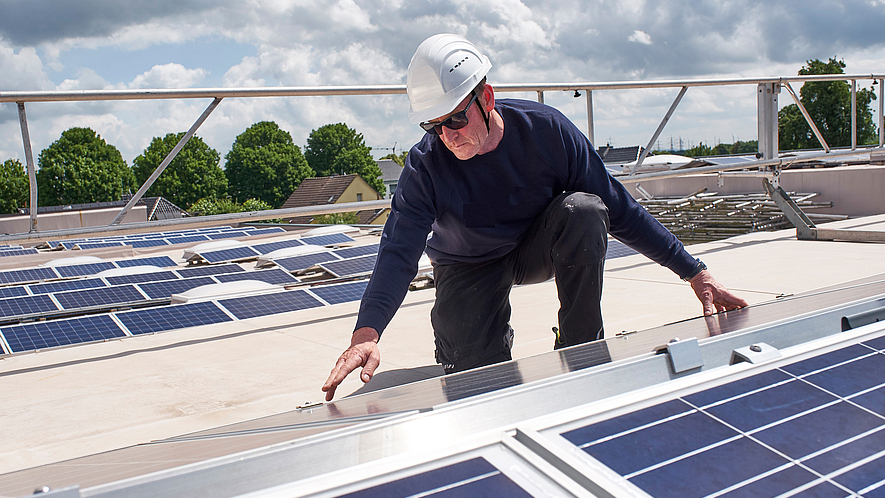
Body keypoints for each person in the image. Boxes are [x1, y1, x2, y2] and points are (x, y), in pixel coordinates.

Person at [322, 34, 747, 401]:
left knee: (585, 210)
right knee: (475, 379)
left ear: (485, 99)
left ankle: (579, 347)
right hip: (467, 264)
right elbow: (398, 250)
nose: (448, 135)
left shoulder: (547, 133)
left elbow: (618, 207)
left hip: (533, 247)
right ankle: (482, 347)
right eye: (434, 126)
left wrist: (694, 272)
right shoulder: (425, 166)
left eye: (456, 117)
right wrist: (367, 333)